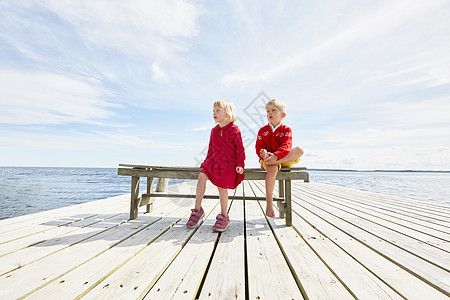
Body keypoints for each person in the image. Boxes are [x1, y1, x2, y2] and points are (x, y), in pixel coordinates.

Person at [186, 100, 245, 232]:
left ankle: (224, 216)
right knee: (201, 176)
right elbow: (211, 150)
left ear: (227, 113)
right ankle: (197, 211)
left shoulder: (234, 129)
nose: (214, 113)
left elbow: (240, 149)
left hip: (228, 163)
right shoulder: (214, 131)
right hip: (214, 161)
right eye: (213, 110)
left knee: (221, 186)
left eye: (218, 110)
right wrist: (206, 163)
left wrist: (240, 164)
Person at [255, 99, 304, 218]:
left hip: (282, 157)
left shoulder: (286, 130)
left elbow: (286, 146)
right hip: (268, 160)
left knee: (300, 150)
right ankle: (269, 203)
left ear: (282, 115)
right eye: (267, 111)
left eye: (273, 110)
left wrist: (276, 156)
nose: (269, 113)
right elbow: (259, 147)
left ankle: (275, 161)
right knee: (272, 168)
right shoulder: (263, 131)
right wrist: (263, 154)